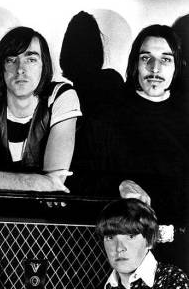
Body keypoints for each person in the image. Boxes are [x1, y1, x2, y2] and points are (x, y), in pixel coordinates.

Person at [74, 24, 189, 272]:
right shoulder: (106, 115)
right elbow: (80, 184)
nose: (154, 69)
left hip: (180, 254)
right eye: (146, 58)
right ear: (134, 63)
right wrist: (118, 185)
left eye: (165, 60)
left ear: (177, 66)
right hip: (117, 253)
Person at [0, 26, 81, 192]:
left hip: (43, 214)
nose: (20, 69)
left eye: (31, 60)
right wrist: (35, 182)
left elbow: (54, 184)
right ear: (2, 67)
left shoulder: (61, 95)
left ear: (44, 65)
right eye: (11, 60)